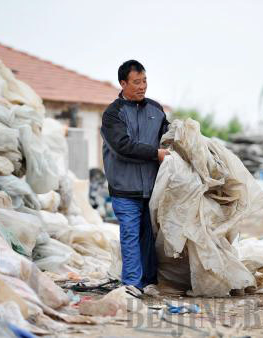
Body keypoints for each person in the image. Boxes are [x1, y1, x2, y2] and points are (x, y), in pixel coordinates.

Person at [100, 60, 169, 297]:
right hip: (124, 187)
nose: (142, 86)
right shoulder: (113, 114)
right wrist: (155, 154)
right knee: (130, 233)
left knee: (148, 237)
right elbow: (122, 146)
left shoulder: (156, 110)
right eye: (136, 82)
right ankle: (131, 286)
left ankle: (149, 282)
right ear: (123, 83)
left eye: (145, 81)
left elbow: (168, 138)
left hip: (151, 188)